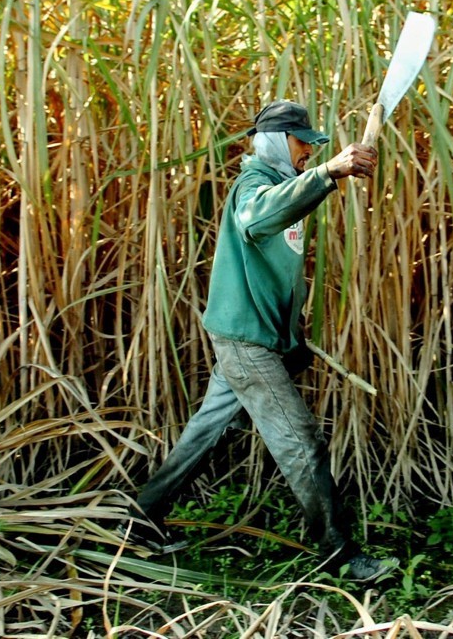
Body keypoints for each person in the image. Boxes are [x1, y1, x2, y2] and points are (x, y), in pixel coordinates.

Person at [132, 100, 392, 581]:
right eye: (302, 143)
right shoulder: (253, 186)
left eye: (313, 148)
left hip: (249, 335)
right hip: (244, 341)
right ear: (276, 141)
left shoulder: (282, 185)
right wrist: (330, 172)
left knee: (203, 434)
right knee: (302, 443)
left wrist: (290, 340)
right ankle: (340, 556)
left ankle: (140, 519)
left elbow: (284, 242)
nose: (308, 153)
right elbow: (255, 219)